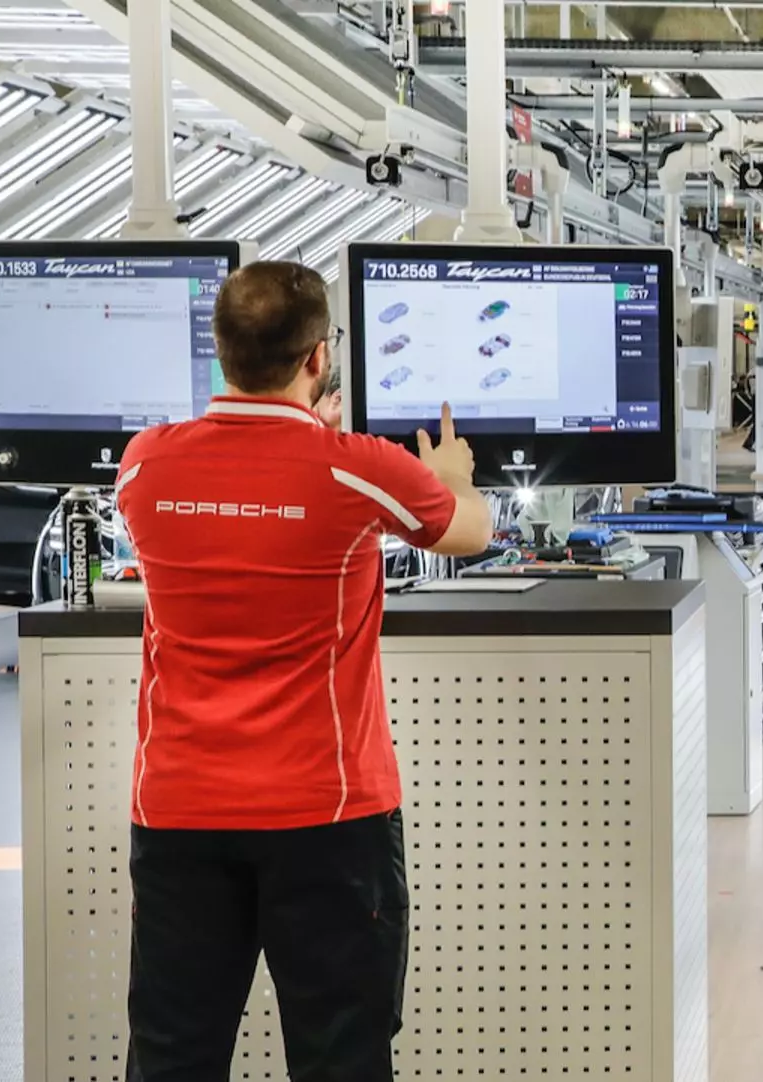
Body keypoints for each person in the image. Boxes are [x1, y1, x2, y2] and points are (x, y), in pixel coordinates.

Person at [111, 261, 494, 1080]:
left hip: (180, 813)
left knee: (173, 1056)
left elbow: (241, 489)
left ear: (219, 354)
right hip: (329, 817)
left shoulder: (145, 465)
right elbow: (469, 533)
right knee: (341, 1056)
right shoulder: (358, 468)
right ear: (319, 359)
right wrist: (453, 475)